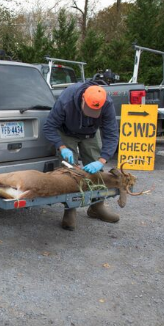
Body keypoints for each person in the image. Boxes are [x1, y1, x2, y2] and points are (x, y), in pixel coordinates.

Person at [43, 82, 119, 231]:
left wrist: (101, 160)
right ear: (83, 98)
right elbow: (49, 126)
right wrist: (62, 147)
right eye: (88, 109)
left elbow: (111, 134)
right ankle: (70, 209)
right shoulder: (66, 100)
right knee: (71, 173)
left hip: (91, 133)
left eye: (94, 111)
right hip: (67, 132)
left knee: (97, 171)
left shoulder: (106, 103)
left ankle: (97, 207)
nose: (90, 112)